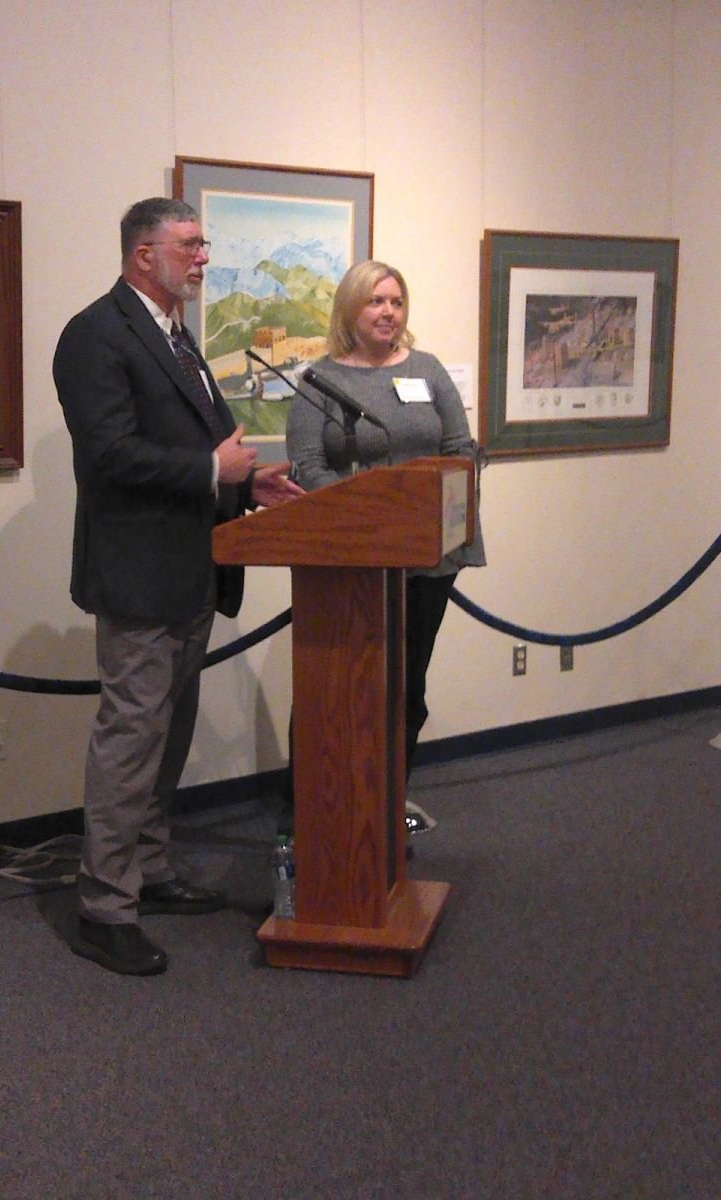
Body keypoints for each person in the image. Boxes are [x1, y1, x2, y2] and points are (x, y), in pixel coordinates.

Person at [53, 197, 301, 977]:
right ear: (143, 254)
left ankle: (149, 871)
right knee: (130, 743)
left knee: (167, 736)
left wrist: (247, 484)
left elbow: (202, 448)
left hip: (194, 571)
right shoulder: (95, 334)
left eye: (203, 244)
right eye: (190, 245)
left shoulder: (175, 335)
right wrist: (210, 469)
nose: (202, 257)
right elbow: (108, 457)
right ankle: (104, 909)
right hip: (138, 578)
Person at [285, 259, 485, 828]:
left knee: (405, 690)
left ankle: (386, 805)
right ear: (350, 308)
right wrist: (368, 516)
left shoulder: (427, 370)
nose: (388, 312)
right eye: (376, 301)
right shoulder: (320, 381)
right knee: (340, 692)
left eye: (396, 302)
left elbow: (461, 449)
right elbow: (307, 465)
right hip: (351, 562)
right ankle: (318, 816)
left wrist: (426, 504)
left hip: (427, 557)